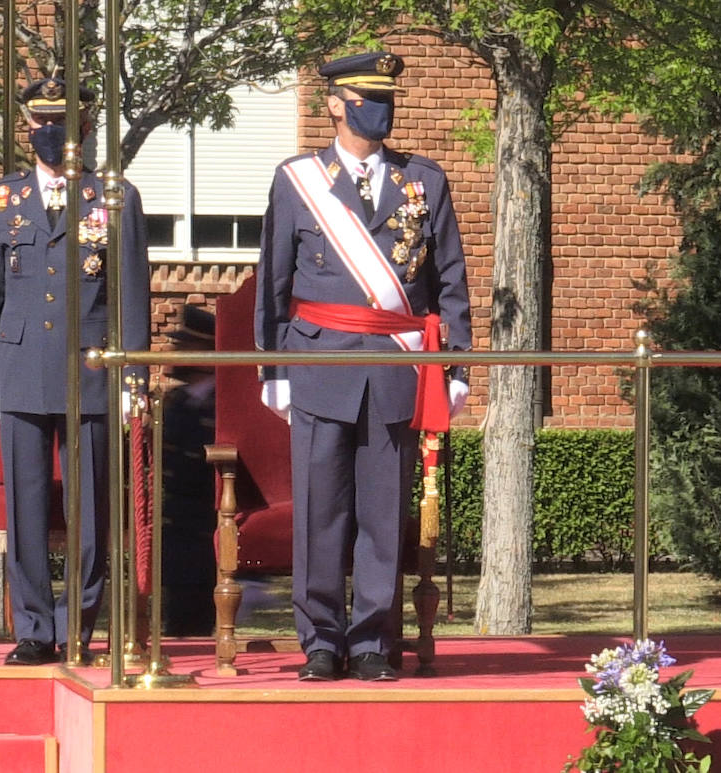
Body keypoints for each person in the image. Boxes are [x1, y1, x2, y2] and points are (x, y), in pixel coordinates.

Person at [255, 51, 472, 681]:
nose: (380, 111)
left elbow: (449, 281)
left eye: (386, 100)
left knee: (382, 514)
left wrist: (456, 368)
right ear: (335, 104)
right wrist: (272, 369)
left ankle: (375, 638)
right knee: (320, 512)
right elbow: (272, 279)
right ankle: (321, 637)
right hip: (319, 362)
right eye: (366, 100)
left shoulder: (424, 182)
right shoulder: (298, 180)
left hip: (397, 368)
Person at [0, 76, 151, 666]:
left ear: (86, 131)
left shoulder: (115, 196)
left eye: (62, 126)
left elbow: (129, 297)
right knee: (25, 508)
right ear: (27, 130)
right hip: (19, 367)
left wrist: (132, 379)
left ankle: (78, 626)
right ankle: (34, 630)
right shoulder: (4, 199)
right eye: (41, 125)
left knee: (89, 513)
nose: (51, 135)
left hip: (90, 369)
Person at [159, 305, 218, 637]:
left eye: (186, 347)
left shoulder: (221, 402)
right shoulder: (178, 399)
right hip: (177, 522)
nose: (176, 354)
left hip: (205, 522)